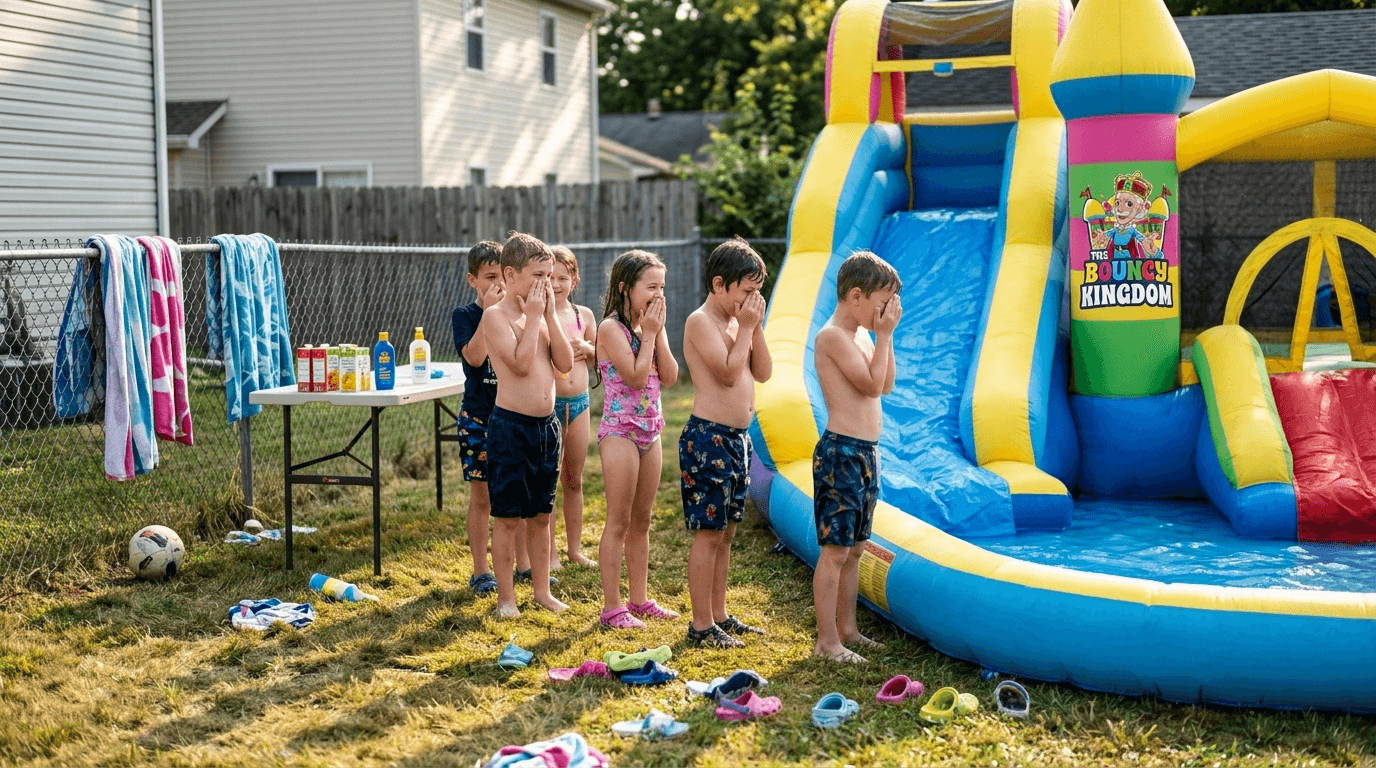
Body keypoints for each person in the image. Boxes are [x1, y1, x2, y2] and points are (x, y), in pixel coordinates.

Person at [679, 237, 773, 648]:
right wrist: (747, 327)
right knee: (709, 533)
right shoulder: (701, 322)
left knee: (728, 532)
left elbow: (763, 372)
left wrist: (755, 326)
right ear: (719, 284)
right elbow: (729, 374)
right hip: (709, 439)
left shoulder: (739, 322)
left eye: (757, 292)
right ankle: (700, 625)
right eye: (746, 291)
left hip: (737, 439)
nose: (752, 300)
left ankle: (718, 615)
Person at [811, 250, 902, 663]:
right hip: (842, 453)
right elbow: (869, 385)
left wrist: (885, 336)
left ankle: (848, 629)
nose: (886, 312)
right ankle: (827, 641)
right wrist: (883, 335)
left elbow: (886, 383)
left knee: (857, 548)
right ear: (855, 296)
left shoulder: (865, 334)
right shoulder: (832, 336)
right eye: (882, 303)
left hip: (866, 453)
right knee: (835, 551)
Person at [481, 232, 575, 617]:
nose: (547, 284)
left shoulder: (542, 316)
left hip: (546, 429)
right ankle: (506, 598)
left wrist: (549, 315)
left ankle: (542, 591)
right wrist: (535, 316)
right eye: (539, 275)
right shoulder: (495, 316)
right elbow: (520, 365)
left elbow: (565, 364)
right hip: (510, 428)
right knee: (507, 518)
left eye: (550, 276)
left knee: (541, 515)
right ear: (510, 274)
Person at [596, 250, 681, 629]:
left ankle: (639, 599)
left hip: (651, 430)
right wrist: (648, 334)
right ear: (624, 288)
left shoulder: (651, 327)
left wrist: (657, 332)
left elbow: (671, 376)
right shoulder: (610, 329)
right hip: (620, 432)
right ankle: (612, 607)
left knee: (642, 521)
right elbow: (634, 376)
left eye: (662, 287)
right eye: (651, 287)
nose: (658, 294)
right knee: (619, 520)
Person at [451, 240, 531, 597]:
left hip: (513, 416)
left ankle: (525, 564)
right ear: (473, 280)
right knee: (482, 497)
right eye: (489, 277)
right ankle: (481, 571)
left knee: (518, 497)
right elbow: (474, 357)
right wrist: (488, 313)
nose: (497, 284)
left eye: (501, 276)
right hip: (479, 418)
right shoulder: (466, 316)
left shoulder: (518, 313)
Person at [548, 246, 598, 569]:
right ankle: (549, 553)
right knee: (549, 482)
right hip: (550, 406)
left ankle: (575, 549)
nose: (556, 284)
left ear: (574, 280)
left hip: (580, 404)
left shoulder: (584, 316)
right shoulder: (540, 316)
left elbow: (602, 357)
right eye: (550, 277)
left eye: (562, 278)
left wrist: (588, 348)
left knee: (574, 480)